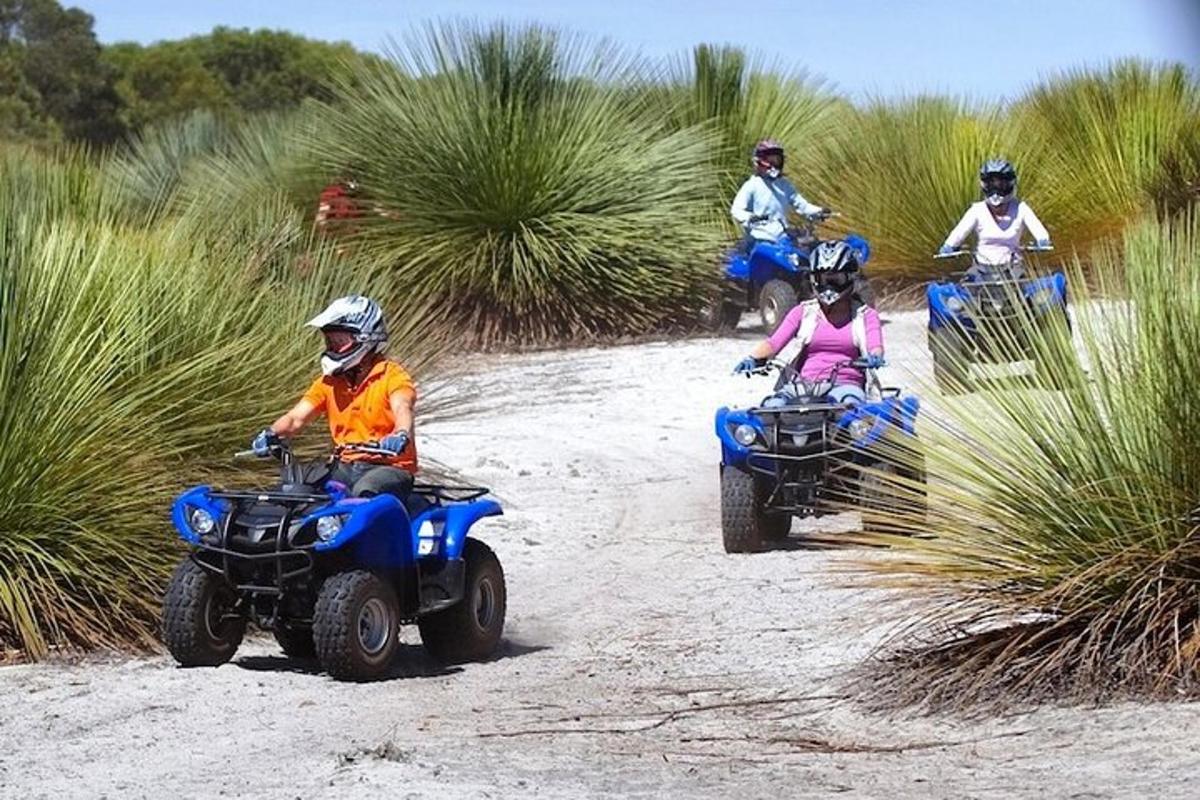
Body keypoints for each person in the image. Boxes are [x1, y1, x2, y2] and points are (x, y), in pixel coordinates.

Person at [250, 295, 417, 500]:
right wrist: (271, 433)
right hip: (345, 465)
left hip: (389, 468)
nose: (333, 347)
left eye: (340, 341)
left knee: (366, 491)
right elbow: (296, 418)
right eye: (330, 341)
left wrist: (400, 435)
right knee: (293, 485)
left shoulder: (391, 375)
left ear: (365, 338)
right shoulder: (329, 382)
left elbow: (403, 406)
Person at [733, 240, 883, 405]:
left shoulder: (866, 316)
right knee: (772, 407)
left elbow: (875, 345)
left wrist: (875, 357)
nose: (828, 286)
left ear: (850, 278)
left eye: (836, 279)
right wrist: (753, 358)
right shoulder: (802, 312)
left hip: (847, 385)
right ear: (813, 280)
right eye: (822, 279)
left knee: (848, 407)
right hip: (803, 385)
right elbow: (774, 343)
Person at [939, 159, 1052, 274]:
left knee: (1030, 286)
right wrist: (949, 246)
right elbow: (959, 232)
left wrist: (1043, 241)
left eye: (1001, 184)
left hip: (1013, 268)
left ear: (1010, 183)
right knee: (965, 286)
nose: (996, 190)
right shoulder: (977, 210)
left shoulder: (1021, 208)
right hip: (981, 269)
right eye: (991, 184)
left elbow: (1038, 228)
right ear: (984, 185)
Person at [730, 139, 830, 247]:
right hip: (759, 240)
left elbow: (802, 205)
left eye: (777, 160)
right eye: (770, 160)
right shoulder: (752, 185)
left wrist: (819, 211)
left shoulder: (784, 185)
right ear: (759, 161)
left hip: (782, 239)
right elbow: (736, 210)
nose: (774, 164)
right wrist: (750, 217)